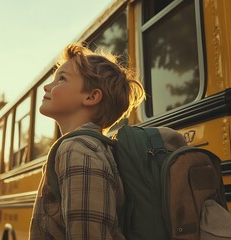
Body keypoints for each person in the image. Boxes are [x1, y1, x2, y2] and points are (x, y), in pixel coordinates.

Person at [29, 43, 145, 239]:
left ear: (91, 97)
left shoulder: (77, 150)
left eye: (62, 79)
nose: (47, 87)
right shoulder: (87, 147)